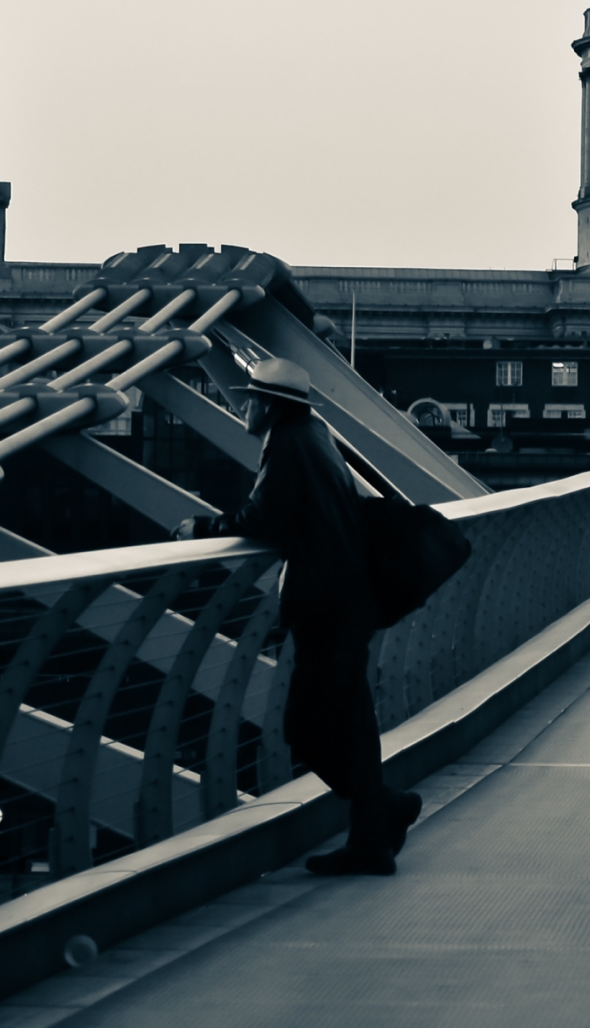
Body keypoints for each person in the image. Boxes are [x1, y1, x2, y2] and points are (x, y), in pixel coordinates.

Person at [189, 358, 419, 875]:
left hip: (327, 607)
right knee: (354, 724)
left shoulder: (288, 443)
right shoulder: (315, 435)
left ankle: (387, 808)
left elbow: (263, 518)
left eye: (250, 398)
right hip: (351, 599)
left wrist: (201, 528)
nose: (244, 407)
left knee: (305, 729)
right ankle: (372, 839)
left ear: (268, 405)